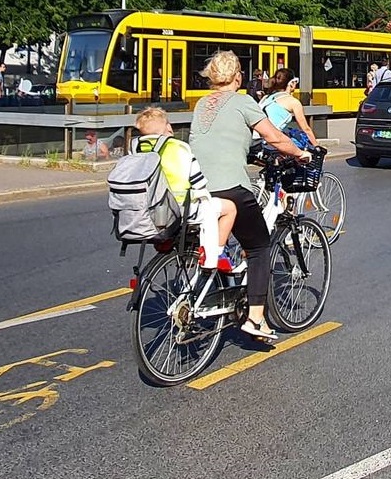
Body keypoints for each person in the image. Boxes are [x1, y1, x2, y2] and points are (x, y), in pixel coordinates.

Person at [189, 51, 312, 342]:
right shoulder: (243, 102)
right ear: (237, 76)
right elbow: (275, 137)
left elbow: (219, 142)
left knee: (223, 237)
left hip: (197, 189)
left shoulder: (201, 104)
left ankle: (219, 286)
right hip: (229, 187)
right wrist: (300, 153)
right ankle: (255, 319)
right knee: (259, 247)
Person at [133, 107, 236, 273]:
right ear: (168, 127)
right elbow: (198, 182)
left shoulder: (136, 148)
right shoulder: (178, 147)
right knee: (227, 208)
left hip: (148, 210)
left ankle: (167, 241)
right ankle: (214, 256)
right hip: (180, 209)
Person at [259, 68, 319, 147]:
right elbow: (306, 129)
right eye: (296, 82)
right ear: (291, 84)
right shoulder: (293, 102)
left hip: (258, 139)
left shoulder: (266, 98)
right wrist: (316, 146)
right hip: (271, 142)